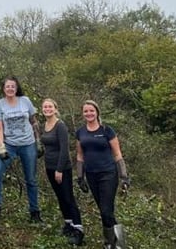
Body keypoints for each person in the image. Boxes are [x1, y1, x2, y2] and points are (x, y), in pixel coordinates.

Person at [75, 100, 130, 249]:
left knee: (106, 210)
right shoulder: (80, 132)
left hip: (108, 174)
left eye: (91, 110)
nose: (89, 113)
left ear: (97, 112)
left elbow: (117, 154)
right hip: (92, 175)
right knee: (105, 211)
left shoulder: (107, 130)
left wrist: (124, 176)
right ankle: (115, 242)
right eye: (86, 111)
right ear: (83, 113)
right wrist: (80, 177)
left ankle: (112, 244)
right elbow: (80, 156)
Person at [0, 77, 42, 223]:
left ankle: (34, 211)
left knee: (30, 178)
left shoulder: (25, 101)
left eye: (13, 86)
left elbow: (34, 121)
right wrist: (1, 146)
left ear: (16, 88)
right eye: (7, 86)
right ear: (3, 89)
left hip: (28, 144)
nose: (10, 88)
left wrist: (38, 141)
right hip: (9, 144)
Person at [41, 98, 84, 245]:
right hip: (49, 167)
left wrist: (59, 170)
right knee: (60, 197)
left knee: (68, 197)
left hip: (62, 168)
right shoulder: (44, 125)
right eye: (45, 107)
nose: (47, 109)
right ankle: (68, 224)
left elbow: (65, 150)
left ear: (55, 108)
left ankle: (78, 229)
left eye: (50, 107)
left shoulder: (60, 126)